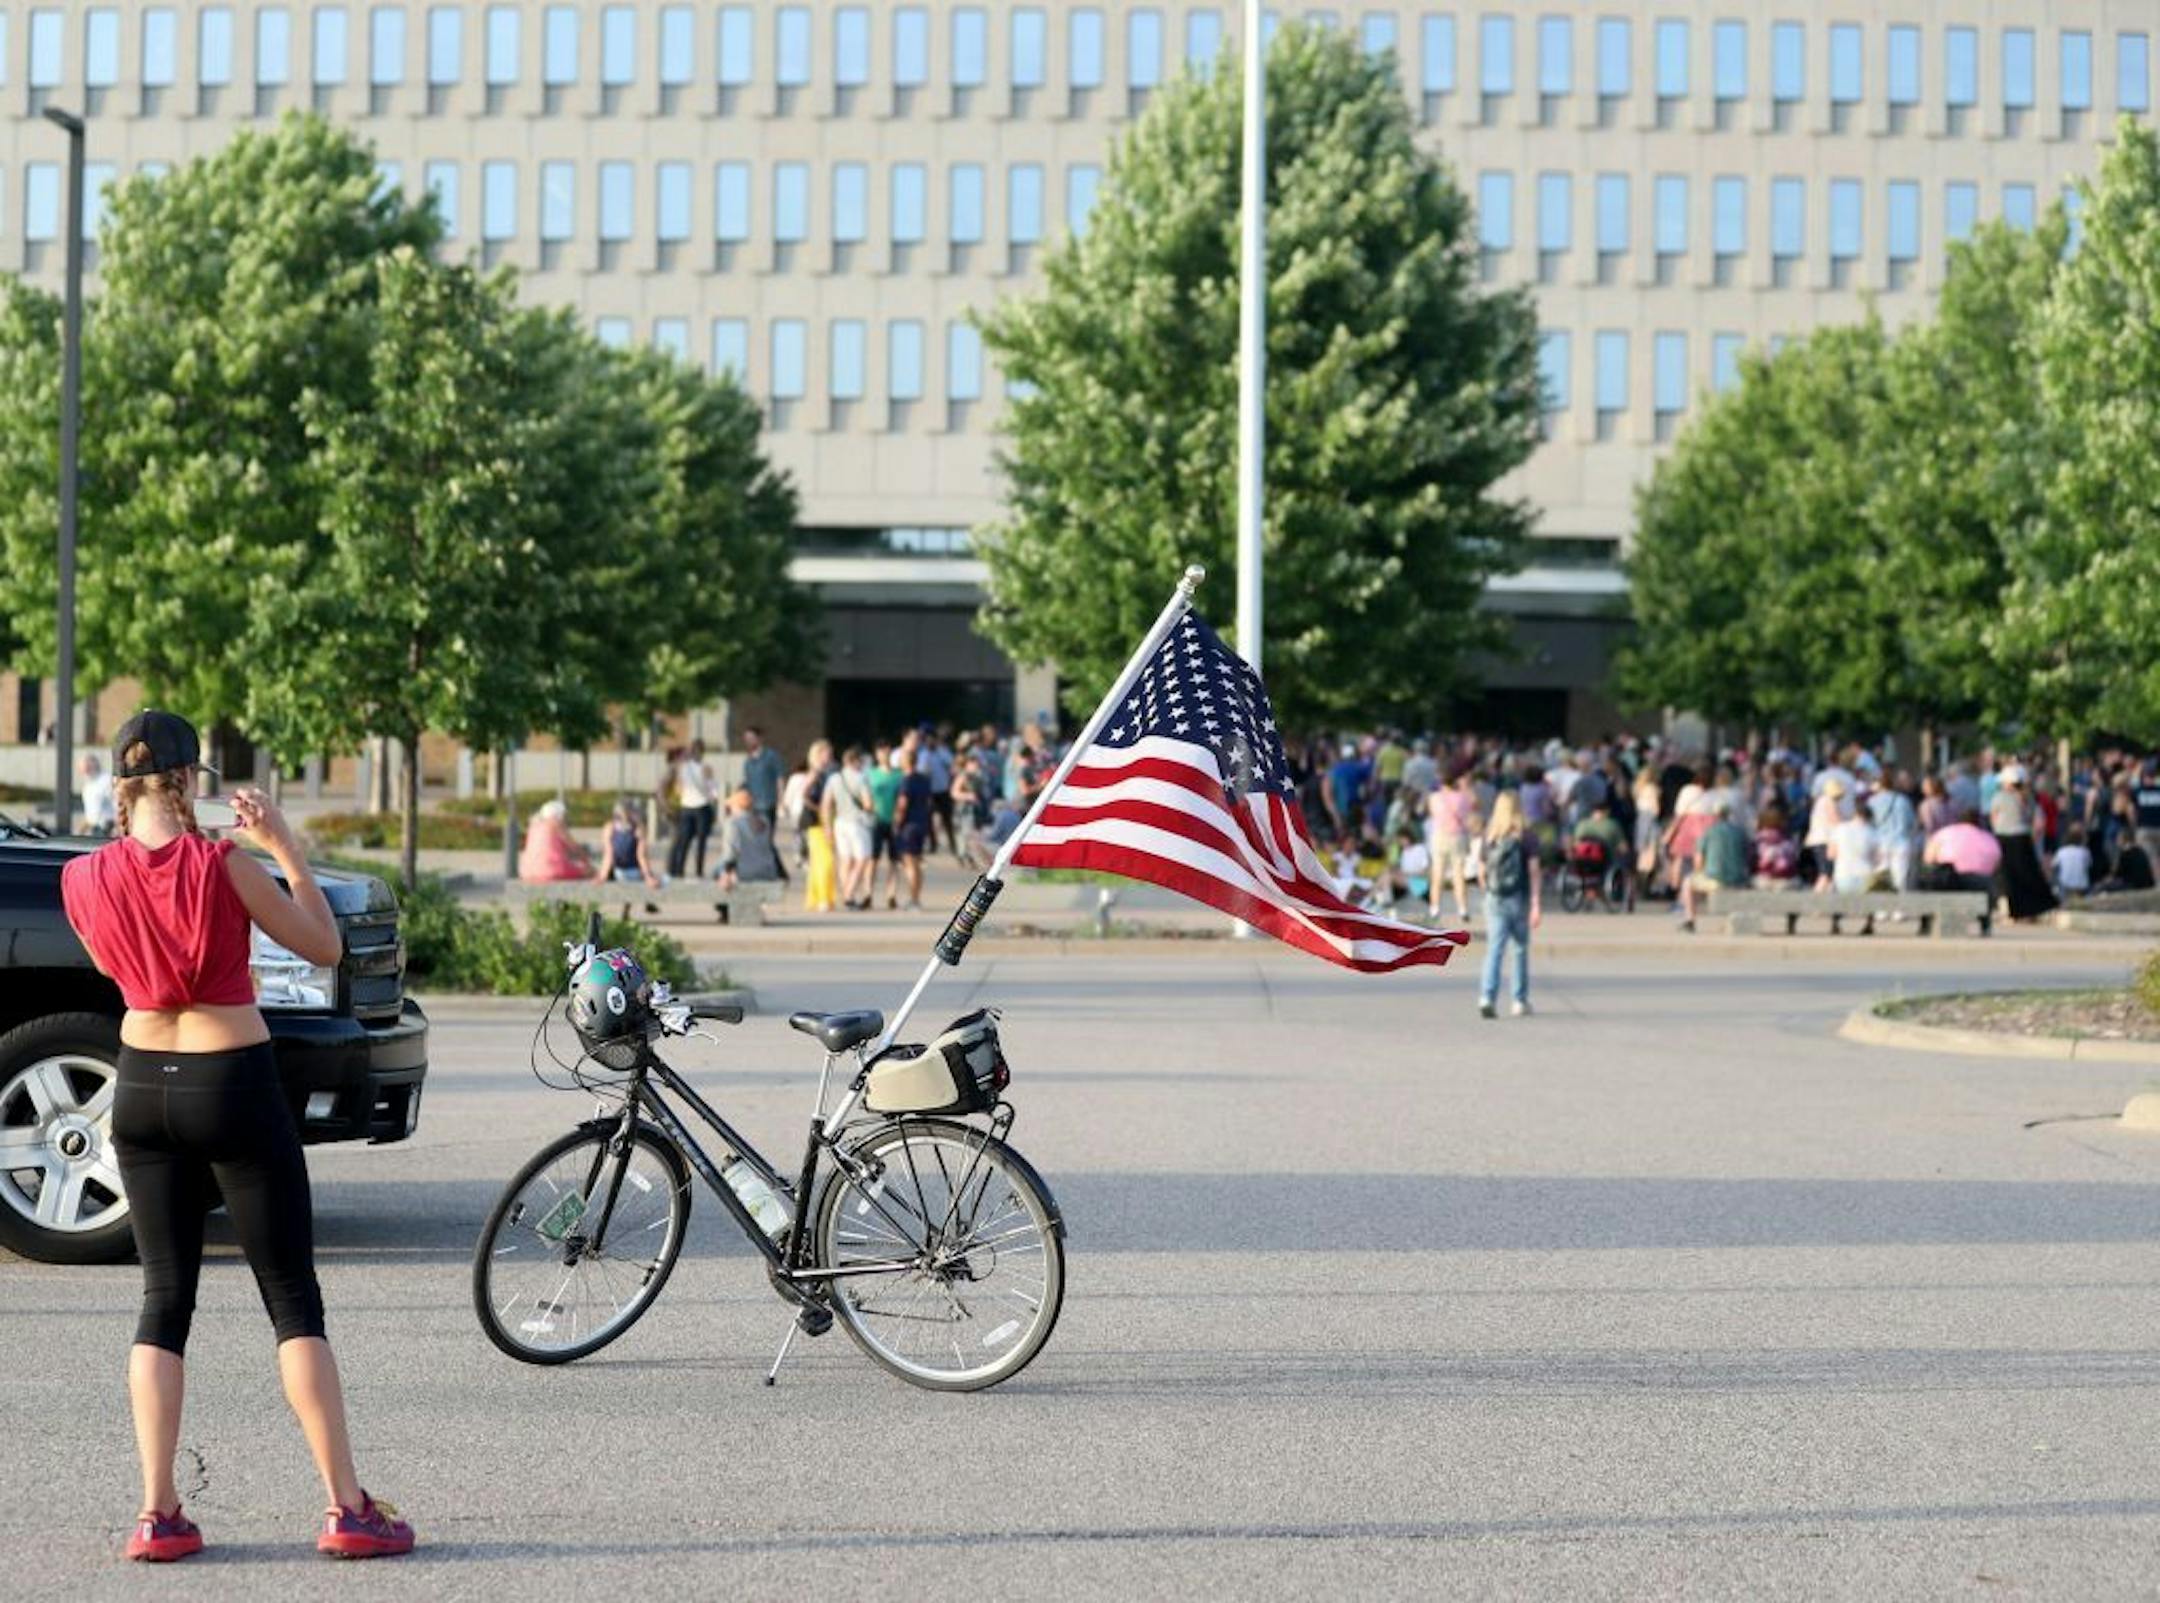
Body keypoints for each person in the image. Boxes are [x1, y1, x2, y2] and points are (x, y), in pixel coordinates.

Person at [58, 711, 414, 1563]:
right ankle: (347, 1507)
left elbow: (117, 970)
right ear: (187, 783)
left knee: (162, 1299)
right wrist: (285, 844)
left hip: (142, 1086)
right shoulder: (227, 864)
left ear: (121, 786)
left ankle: (158, 1513)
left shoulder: (81, 879)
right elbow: (324, 943)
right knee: (292, 1299)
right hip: (234, 1079)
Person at [1476, 792, 1541, 1019]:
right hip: (1519, 897)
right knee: (1520, 949)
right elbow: (1533, 871)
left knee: (1494, 949)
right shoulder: (1527, 836)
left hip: (1495, 898)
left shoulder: (1491, 836)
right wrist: (1535, 903)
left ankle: (1487, 996)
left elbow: (1481, 871)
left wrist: (1488, 894)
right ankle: (1519, 1000)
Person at [1989, 764, 2058, 921]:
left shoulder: (1999, 797)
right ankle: (2034, 908)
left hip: (2004, 838)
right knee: (2029, 874)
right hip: (2022, 837)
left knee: (2009, 876)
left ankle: (2015, 911)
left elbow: (1994, 818)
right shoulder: (2028, 798)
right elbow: (2039, 823)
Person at [1680, 801, 1751, 932]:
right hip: (1739, 879)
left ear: (1714, 815)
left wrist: (1701, 872)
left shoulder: (1709, 832)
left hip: (1716, 879)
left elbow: (1698, 861)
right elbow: (1747, 857)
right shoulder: (1740, 832)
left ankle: (1690, 920)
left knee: (1687, 883)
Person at [826, 746, 877, 909]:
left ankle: (846, 893)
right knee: (862, 859)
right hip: (857, 823)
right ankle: (849, 895)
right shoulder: (861, 778)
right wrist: (870, 809)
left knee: (845, 860)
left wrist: (827, 826)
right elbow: (868, 803)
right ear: (854, 761)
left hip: (840, 823)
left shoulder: (834, 778)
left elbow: (827, 803)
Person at [1426, 766, 1479, 922]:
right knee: (1458, 875)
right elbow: (1475, 805)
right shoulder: (1463, 797)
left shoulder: (1434, 797)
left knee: (1437, 873)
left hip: (1439, 836)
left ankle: (1434, 908)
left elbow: (1432, 814)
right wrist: (1466, 787)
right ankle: (1462, 908)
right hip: (1458, 837)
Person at [664, 740, 717, 881]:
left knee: (689, 841)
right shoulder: (700, 767)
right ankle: (693, 871)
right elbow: (713, 790)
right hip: (697, 807)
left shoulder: (686, 768)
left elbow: (680, 788)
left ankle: (686, 870)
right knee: (695, 841)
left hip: (691, 806)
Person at [1920, 807, 2003, 893]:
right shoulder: (1989, 839)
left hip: (1949, 880)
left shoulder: (1945, 833)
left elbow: (1928, 859)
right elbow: (1997, 864)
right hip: (1981, 883)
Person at [715, 788, 784, 889]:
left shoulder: (733, 823)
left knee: (716, 869)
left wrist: (726, 874)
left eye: (731, 806)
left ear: (737, 806)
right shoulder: (764, 822)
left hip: (744, 873)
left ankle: (725, 902)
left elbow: (730, 853)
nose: (730, 809)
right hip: (767, 872)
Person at [799, 740, 839, 912]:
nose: (829, 757)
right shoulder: (815, 773)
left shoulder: (830, 773)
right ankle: (823, 898)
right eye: (826, 754)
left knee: (818, 862)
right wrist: (820, 808)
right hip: (815, 821)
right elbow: (804, 795)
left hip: (827, 819)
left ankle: (818, 899)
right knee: (825, 861)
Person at [518, 798, 593, 881]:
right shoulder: (556, 824)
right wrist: (586, 860)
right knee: (588, 870)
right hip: (552, 870)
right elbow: (574, 847)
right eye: (564, 816)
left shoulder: (533, 826)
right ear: (559, 815)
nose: (566, 819)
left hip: (527, 871)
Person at [594, 800, 660, 889]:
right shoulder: (636, 829)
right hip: (630, 872)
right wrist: (648, 877)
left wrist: (602, 876)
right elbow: (641, 856)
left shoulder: (610, 828)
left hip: (624, 872)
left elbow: (609, 855)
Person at [739, 726, 783, 834]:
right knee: (756, 840)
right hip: (752, 807)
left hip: (767, 804)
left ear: (759, 739)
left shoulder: (771, 756)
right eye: (746, 739)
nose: (748, 742)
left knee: (766, 839)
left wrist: (781, 800)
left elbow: (779, 778)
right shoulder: (748, 761)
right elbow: (747, 783)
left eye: (751, 738)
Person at [2053, 824, 2094, 898]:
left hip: (2065, 885)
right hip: (2081, 886)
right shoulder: (2085, 852)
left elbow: (2054, 866)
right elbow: (2089, 866)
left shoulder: (2061, 851)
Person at [80, 752, 116, 836]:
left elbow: (117, 804)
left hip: (109, 828)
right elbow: (91, 814)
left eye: (86, 766)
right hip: (94, 829)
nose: (84, 771)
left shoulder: (107, 780)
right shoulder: (87, 785)